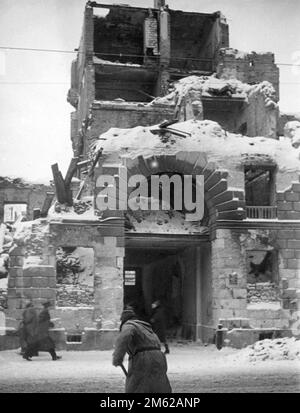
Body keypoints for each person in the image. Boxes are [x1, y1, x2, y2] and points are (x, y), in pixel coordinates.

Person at [112, 307, 172, 393]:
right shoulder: (146, 328)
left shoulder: (129, 325)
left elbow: (123, 338)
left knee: (137, 386)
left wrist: (117, 357)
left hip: (143, 358)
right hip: (159, 356)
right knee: (159, 386)